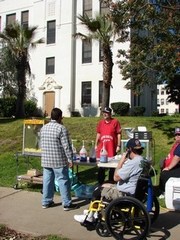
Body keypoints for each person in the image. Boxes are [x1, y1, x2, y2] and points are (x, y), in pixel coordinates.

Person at [74, 138, 145, 223]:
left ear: (129, 150)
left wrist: (121, 161)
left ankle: (90, 216)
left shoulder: (133, 163)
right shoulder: (142, 160)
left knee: (98, 190)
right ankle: (94, 212)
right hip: (135, 191)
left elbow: (116, 177)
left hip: (125, 194)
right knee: (104, 184)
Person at [40, 107, 77, 210]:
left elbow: (41, 144)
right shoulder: (61, 128)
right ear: (60, 117)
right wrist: (70, 159)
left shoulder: (44, 128)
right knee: (63, 181)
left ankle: (46, 202)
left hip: (46, 160)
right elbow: (66, 146)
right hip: (58, 160)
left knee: (47, 181)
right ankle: (67, 203)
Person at [95, 107, 121, 184]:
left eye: (106, 113)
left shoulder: (115, 122)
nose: (105, 114)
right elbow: (98, 133)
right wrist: (96, 144)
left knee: (112, 167)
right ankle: (100, 184)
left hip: (111, 148)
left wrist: (118, 145)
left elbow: (119, 134)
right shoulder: (101, 123)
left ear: (110, 114)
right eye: (104, 113)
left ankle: (111, 184)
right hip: (102, 149)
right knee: (101, 167)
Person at [159, 127, 180, 196]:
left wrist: (168, 168)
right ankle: (161, 189)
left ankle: (165, 192)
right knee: (163, 170)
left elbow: (177, 157)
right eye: (176, 135)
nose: (177, 136)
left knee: (164, 173)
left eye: (179, 135)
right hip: (177, 166)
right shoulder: (177, 144)